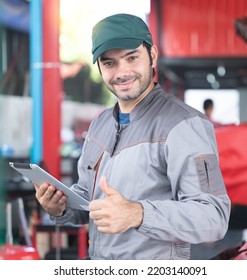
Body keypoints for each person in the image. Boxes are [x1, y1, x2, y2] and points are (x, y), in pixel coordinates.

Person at [34, 13, 231, 260]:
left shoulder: (184, 124)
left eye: (132, 57)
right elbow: (88, 198)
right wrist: (61, 206)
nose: (122, 72)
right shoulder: (100, 124)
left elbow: (213, 218)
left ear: (153, 56)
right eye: (109, 63)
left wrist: (138, 214)